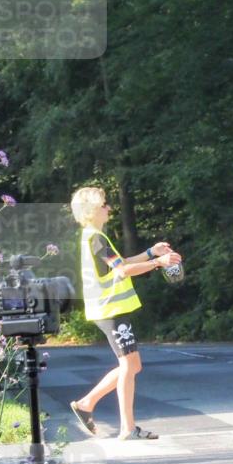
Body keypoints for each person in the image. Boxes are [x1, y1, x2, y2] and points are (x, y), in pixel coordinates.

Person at [67, 186, 182, 440]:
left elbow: (122, 263)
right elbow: (123, 272)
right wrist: (157, 263)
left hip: (110, 310)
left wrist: (152, 253)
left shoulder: (94, 237)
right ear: (92, 210)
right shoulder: (95, 238)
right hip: (111, 310)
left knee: (132, 364)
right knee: (129, 365)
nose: (109, 208)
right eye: (104, 204)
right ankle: (128, 428)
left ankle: (87, 404)